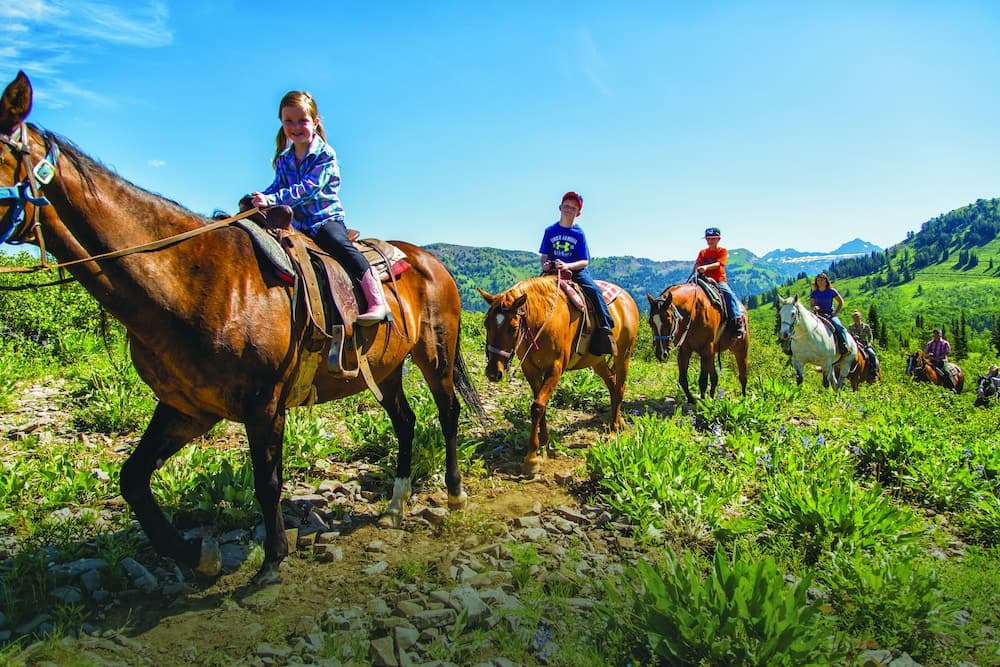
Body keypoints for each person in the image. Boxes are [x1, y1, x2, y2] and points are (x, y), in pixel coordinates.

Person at [248, 90, 388, 324]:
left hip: (323, 219)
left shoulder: (325, 155)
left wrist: (272, 200)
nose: (295, 127)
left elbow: (308, 188)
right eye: (288, 121)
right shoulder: (284, 159)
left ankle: (377, 300)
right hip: (297, 223)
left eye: (302, 120)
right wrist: (261, 197)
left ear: (315, 121)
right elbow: (277, 185)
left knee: (338, 244)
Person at [539, 191, 614, 354]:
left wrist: (568, 266)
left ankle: (605, 327)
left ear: (578, 213)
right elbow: (544, 254)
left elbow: (585, 261)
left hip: (576, 271)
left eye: (573, 208)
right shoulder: (550, 230)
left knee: (593, 291)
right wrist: (545, 264)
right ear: (560, 207)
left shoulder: (578, 233)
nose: (568, 210)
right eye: (566, 206)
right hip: (552, 271)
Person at [694, 227, 744, 337]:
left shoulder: (722, 251)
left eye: (712, 239)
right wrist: (696, 270)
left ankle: (737, 320)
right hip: (703, 280)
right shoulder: (702, 252)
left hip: (718, 280)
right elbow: (697, 264)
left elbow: (718, 264)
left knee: (729, 295)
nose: (710, 241)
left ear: (718, 240)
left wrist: (705, 267)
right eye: (708, 239)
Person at [809, 272, 850, 355]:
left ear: (826, 281)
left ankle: (844, 345)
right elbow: (812, 305)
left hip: (829, 314)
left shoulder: (831, 291)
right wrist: (814, 308)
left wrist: (835, 313)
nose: (820, 282)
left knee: (839, 326)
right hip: (818, 314)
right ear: (816, 282)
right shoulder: (814, 293)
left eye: (822, 280)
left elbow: (841, 302)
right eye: (818, 280)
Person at [847, 309, 879, 377]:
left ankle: (874, 370)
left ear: (860, 317)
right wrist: (853, 337)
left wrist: (870, 343)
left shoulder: (866, 326)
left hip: (865, 345)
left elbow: (870, 336)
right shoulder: (850, 327)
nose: (856, 319)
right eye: (854, 317)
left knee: (872, 354)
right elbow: (848, 337)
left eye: (857, 317)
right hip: (854, 345)